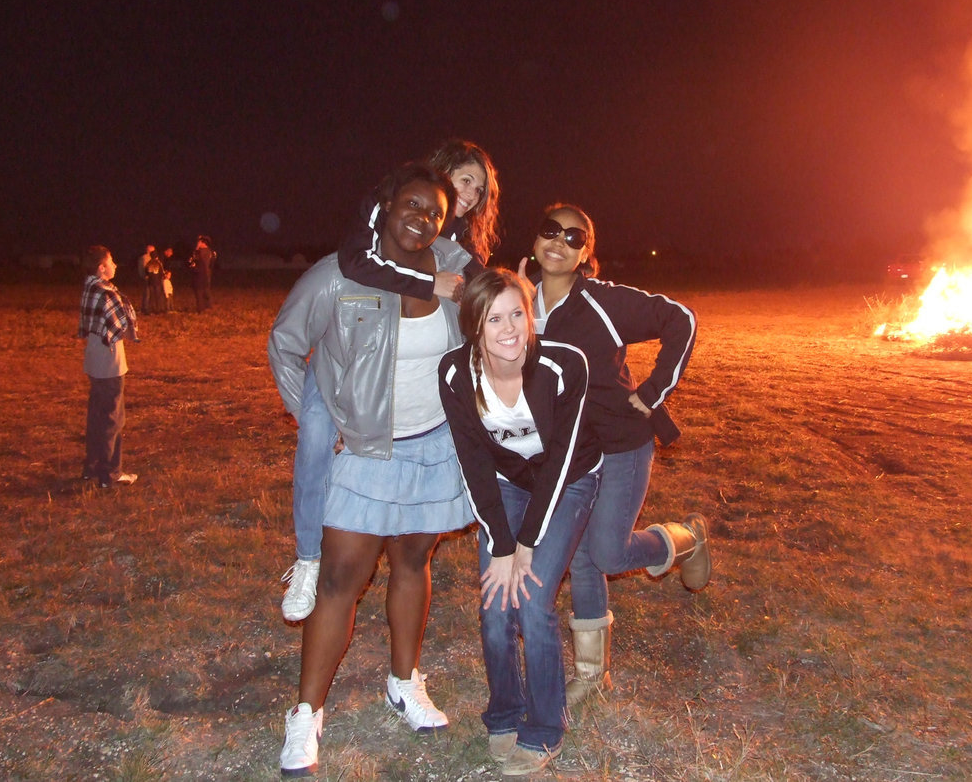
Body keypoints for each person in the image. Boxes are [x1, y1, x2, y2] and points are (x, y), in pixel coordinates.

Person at [267, 162, 475, 777]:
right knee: (339, 581)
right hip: (366, 452)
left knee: (413, 563)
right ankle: (306, 713)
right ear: (384, 207)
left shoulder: (453, 278)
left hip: (432, 445)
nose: (422, 219)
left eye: (434, 212)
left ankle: (404, 681)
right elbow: (285, 341)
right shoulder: (337, 277)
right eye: (411, 205)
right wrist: (315, 420)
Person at [278, 139, 501, 623]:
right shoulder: (375, 222)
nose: (471, 196)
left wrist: (521, 295)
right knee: (317, 434)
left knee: (411, 556)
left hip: (417, 424)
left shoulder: (453, 249)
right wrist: (322, 407)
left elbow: (484, 295)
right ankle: (308, 557)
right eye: (465, 181)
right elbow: (356, 267)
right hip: (341, 384)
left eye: (479, 190)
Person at [521, 203, 711, 707]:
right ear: (534, 240)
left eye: (574, 237)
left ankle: (685, 538)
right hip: (569, 455)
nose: (559, 242)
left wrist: (653, 391)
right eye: (549, 231)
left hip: (622, 445)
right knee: (582, 560)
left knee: (605, 552)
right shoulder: (521, 301)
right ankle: (591, 673)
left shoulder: (603, 302)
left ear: (587, 253)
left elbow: (682, 320)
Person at [439, 268, 601, 776]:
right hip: (507, 485)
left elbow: (559, 459)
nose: (510, 329)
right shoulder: (454, 375)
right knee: (494, 597)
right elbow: (474, 464)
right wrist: (500, 543)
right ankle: (505, 710)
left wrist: (526, 543)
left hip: (570, 478)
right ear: (473, 326)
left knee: (530, 596)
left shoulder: (564, 364)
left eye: (518, 314)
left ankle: (547, 723)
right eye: (494, 319)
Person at [78, 246, 140, 488]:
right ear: (101, 268)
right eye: (111, 261)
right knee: (113, 417)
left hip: (94, 356)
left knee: (96, 414)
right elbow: (121, 325)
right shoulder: (106, 292)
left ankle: (92, 466)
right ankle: (111, 473)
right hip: (109, 359)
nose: (115, 265)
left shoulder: (89, 287)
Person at [189, 235, 216, 312]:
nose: (197, 243)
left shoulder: (199, 252)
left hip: (199, 274)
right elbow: (212, 264)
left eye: (199, 241)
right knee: (206, 290)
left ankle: (201, 308)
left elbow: (192, 261)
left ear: (203, 243)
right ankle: (208, 306)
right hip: (207, 274)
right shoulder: (211, 252)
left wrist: (197, 248)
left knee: (199, 291)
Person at [137, 244, 156, 314]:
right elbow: (144, 268)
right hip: (147, 278)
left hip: (150, 278)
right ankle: (145, 308)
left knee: (150, 293)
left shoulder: (149, 258)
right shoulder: (145, 258)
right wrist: (146, 276)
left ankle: (148, 308)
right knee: (147, 294)